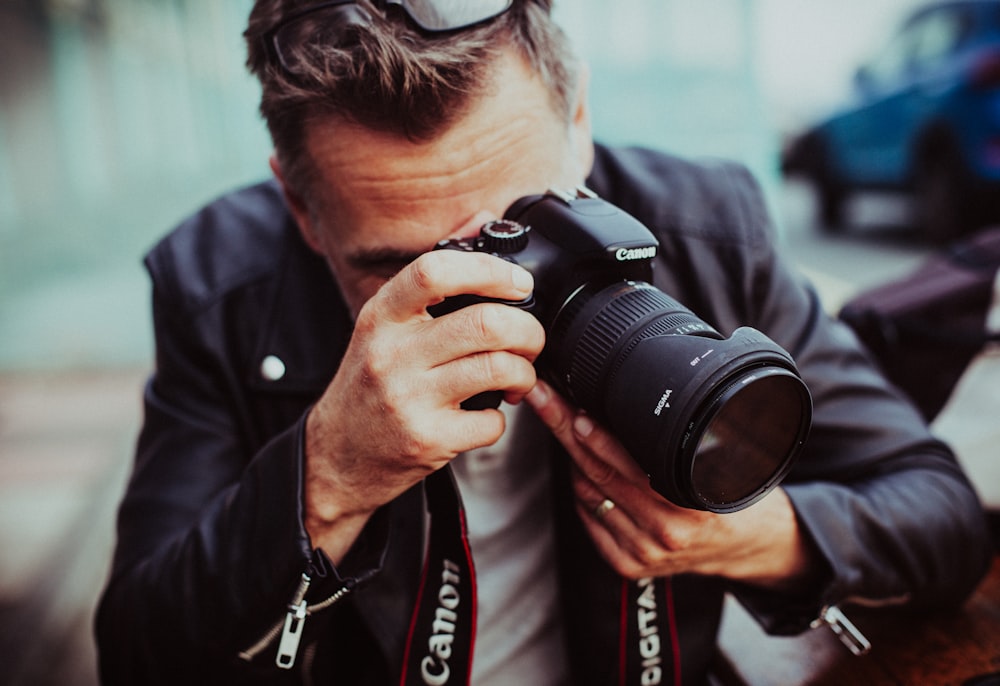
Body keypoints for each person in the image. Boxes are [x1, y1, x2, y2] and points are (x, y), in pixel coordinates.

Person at [94, 1, 993, 684]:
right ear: (299, 204)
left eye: (518, 230)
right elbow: (139, 650)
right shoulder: (216, 286)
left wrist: (753, 536)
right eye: (395, 268)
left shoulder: (706, 232)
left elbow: (940, 515)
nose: (472, 291)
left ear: (580, 125)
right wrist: (326, 476)